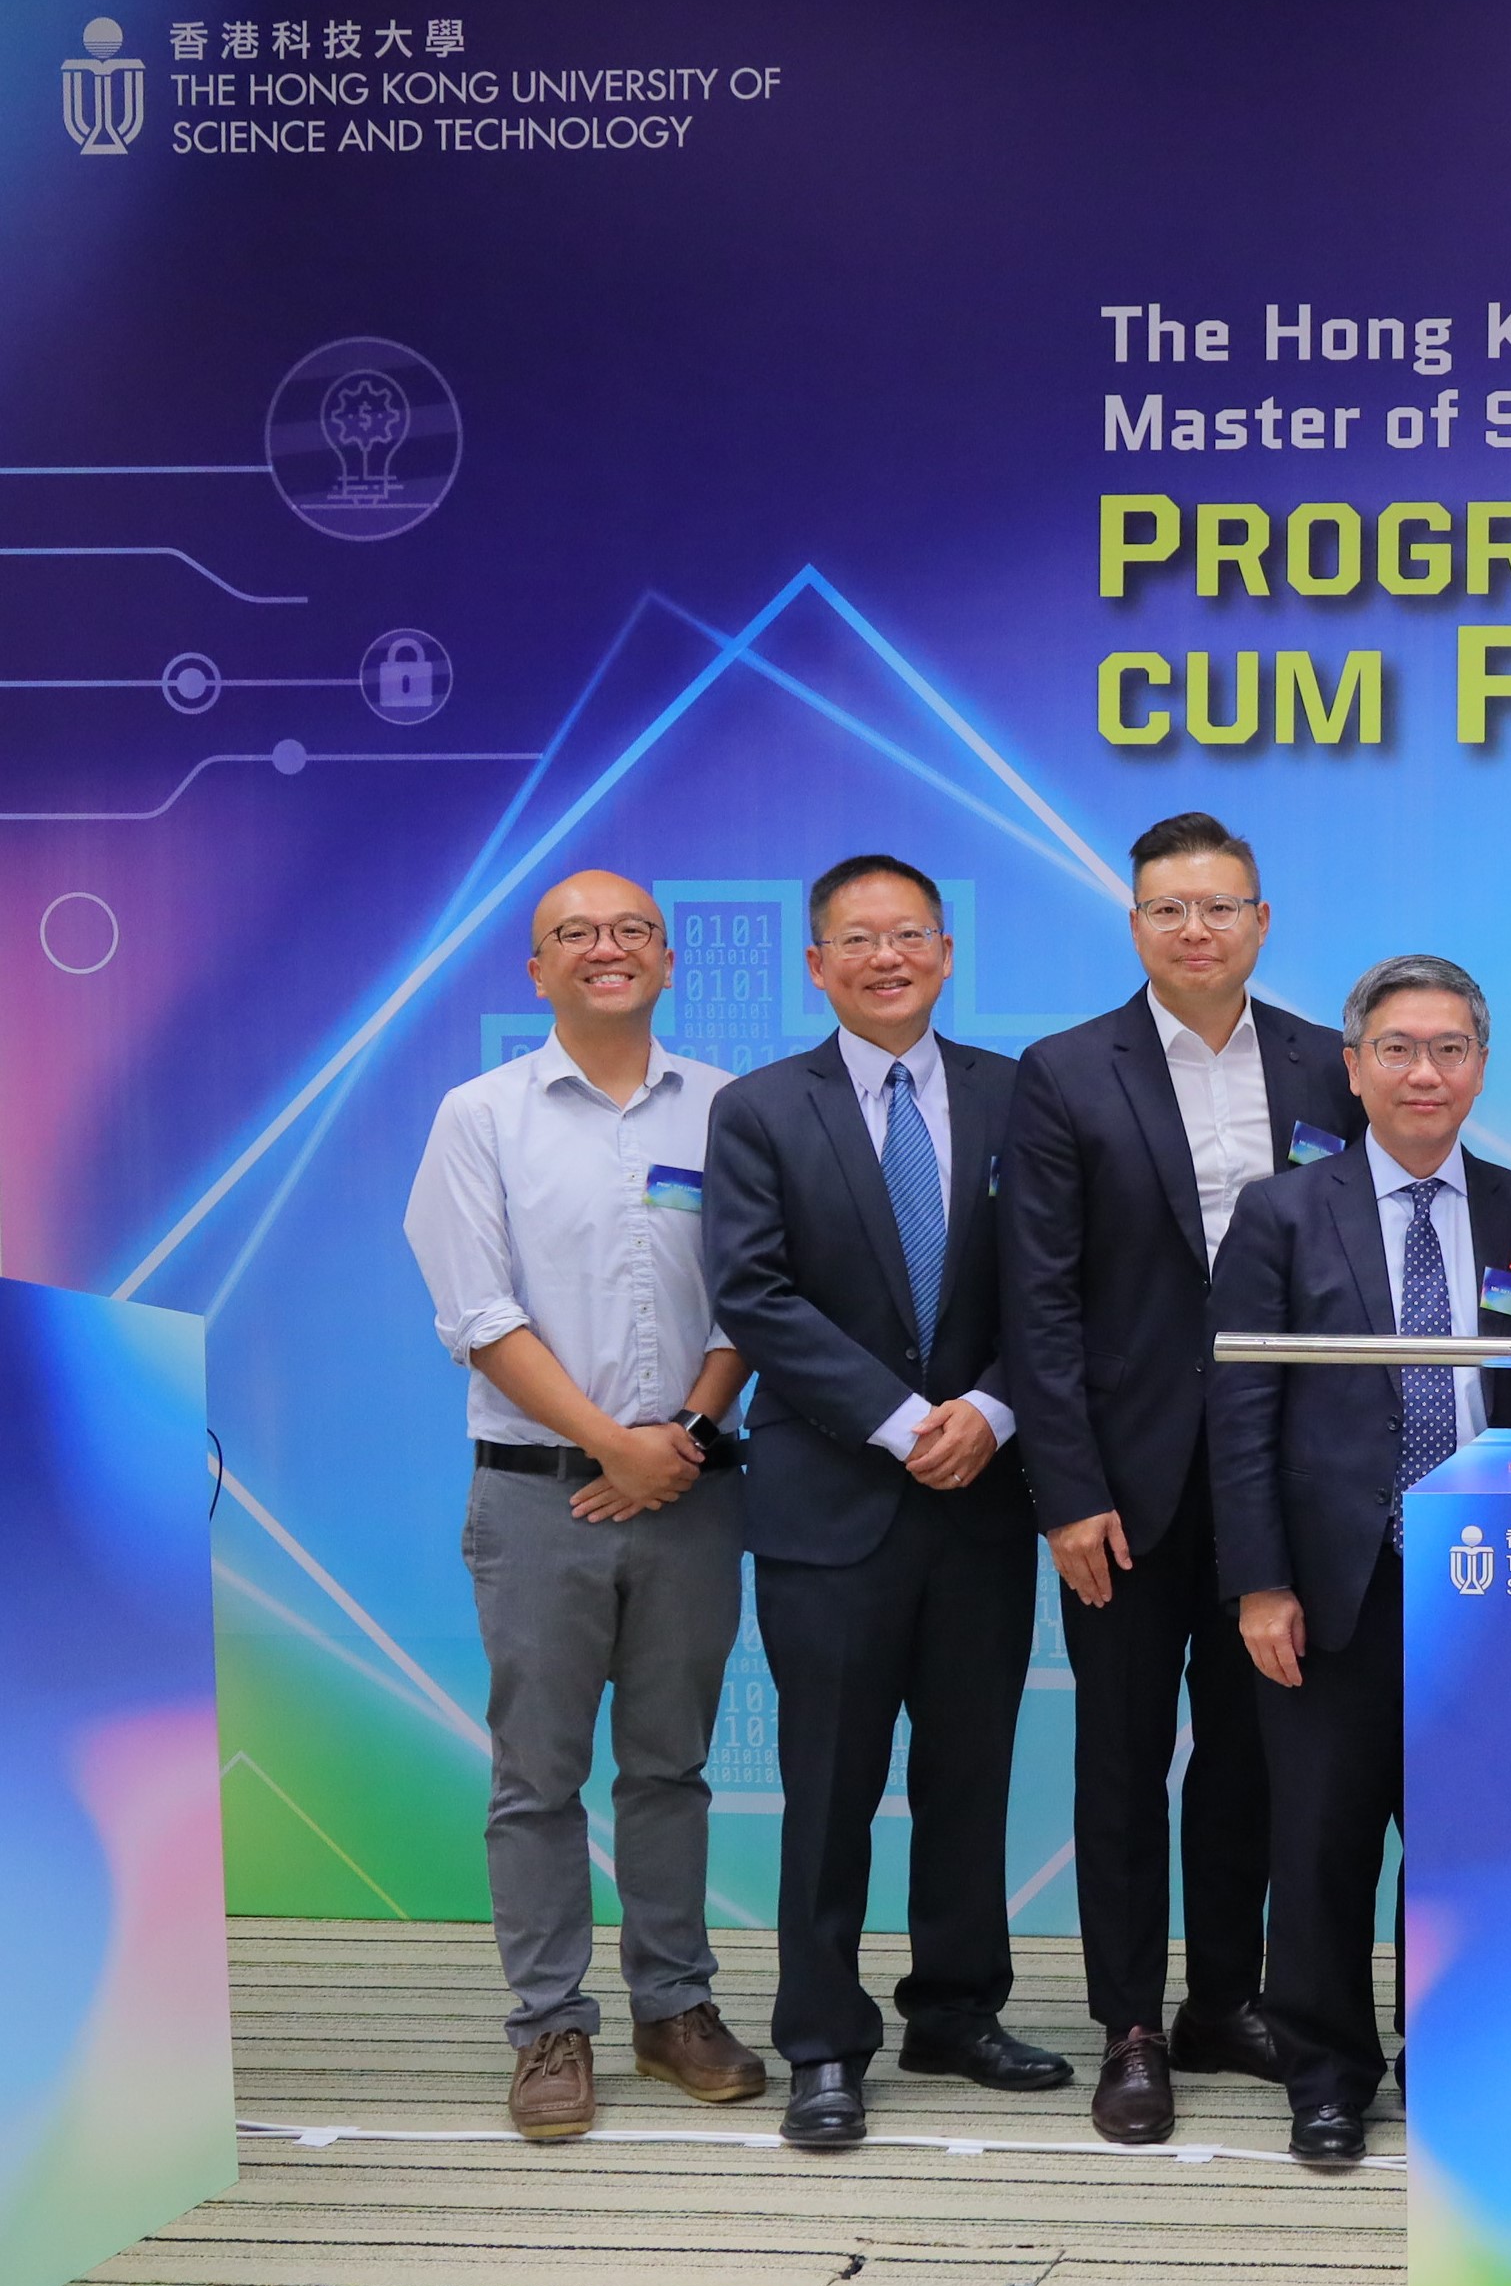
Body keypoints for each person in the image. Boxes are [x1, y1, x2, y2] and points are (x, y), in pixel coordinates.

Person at [1001, 812, 1360, 2145]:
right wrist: (1066, 1490)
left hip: (1282, 1481)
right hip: (1126, 1491)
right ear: (1135, 923)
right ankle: (1132, 2028)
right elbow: (1038, 1305)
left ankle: (1225, 2000)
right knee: (1121, 1756)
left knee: (1254, 1762)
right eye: (1168, 908)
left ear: (1262, 923)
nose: (1195, 929)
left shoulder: (1333, 1067)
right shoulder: (1065, 1073)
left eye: (1220, 907)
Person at [703, 853, 1068, 2150]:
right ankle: (821, 2040)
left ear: (948, 949)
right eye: (857, 940)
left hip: (982, 1495)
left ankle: (958, 2009)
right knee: (832, 1784)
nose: (886, 957)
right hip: (830, 1502)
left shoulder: (1022, 1097)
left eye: (909, 934)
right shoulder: (757, 1111)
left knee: (970, 1776)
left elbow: (1056, 1286)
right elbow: (755, 1296)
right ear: (817, 965)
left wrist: (993, 1410)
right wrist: (909, 1419)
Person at [400, 871, 765, 2144]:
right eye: (573, 935)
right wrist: (619, 1444)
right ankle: (548, 2026)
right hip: (539, 1501)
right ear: (534, 971)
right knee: (536, 1780)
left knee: (670, 1769)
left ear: (668, 958)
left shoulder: (732, 1109)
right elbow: (478, 1314)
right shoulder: (480, 1115)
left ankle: (675, 2008)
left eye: (628, 932)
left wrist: (685, 1440)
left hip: (694, 1493)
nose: (604, 950)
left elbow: (750, 1299)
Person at [1209, 956, 1511, 2167]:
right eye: (1399, 1048)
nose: (1425, 1071)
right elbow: (1239, 1409)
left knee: (1471, 1838)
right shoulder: (1282, 1213)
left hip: (1488, 1591)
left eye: (1451, 1048)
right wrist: (1258, 1581)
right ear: (1353, 1065)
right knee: (1319, 1837)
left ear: (1479, 1064)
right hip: (1327, 1583)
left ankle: (1455, 2055)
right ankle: (1324, 2072)